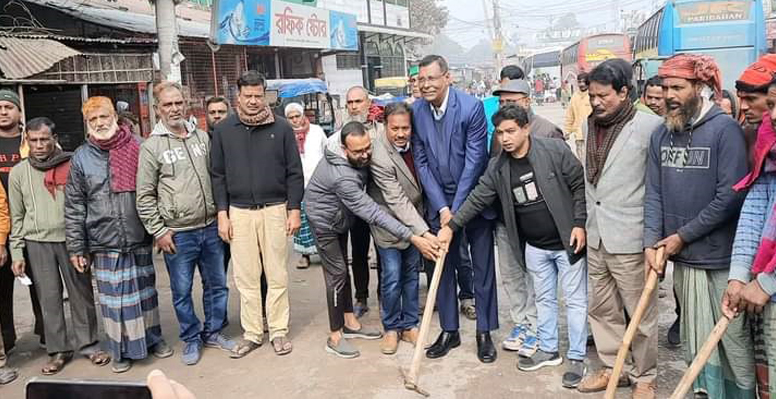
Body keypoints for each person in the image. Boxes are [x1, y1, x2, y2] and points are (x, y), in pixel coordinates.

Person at [438, 104, 588, 387]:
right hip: (534, 247)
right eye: (499, 133)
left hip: (567, 242)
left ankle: (578, 357)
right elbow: (478, 198)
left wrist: (580, 223)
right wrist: (451, 227)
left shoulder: (553, 151)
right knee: (542, 300)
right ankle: (549, 349)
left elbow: (579, 185)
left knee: (575, 301)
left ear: (526, 128)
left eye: (510, 131)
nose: (504, 138)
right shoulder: (498, 166)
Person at [651, 54, 754, 399]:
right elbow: (654, 193)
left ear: (700, 88)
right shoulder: (661, 134)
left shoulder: (725, 130)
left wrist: (682, 236)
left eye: (678, 87)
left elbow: (730, 198)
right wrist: (653, 242)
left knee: (733, 342)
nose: (669, 95)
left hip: (721, 260)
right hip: (684, 260)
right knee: (695, 341)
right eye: (665, 88)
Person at [305, 121, 437, 359]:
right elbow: (374, 212)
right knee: (337, 275)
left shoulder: (359, 150)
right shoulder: (342, 176)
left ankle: (350, 323)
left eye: (367, 148)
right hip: (324, 221)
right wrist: (413, 236)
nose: (366, 155)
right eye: (358, 152)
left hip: (340, 215)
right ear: (344, 150)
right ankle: (335, 336)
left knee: (342, 271)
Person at [65, 96, 173, 373]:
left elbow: (156, 189)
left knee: (145, 295)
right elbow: (75, 205)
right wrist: (77, 247)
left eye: (104, 117)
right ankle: (120, 351)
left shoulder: (138, 146)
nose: (100, 123)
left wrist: (160, 229)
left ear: (115, 116)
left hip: (137, 233)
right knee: (115, 303)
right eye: (94, 119)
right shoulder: (81, 157)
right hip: (103, 239)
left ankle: (153, 340)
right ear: (87, 123)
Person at [576, 59, 662, 399]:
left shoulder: (650, 127)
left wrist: (652, 240)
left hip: (631, 237)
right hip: (596, 233)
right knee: (602, 308)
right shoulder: (588, 124)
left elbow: (657, 188)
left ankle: (646, 377)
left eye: (603, 96)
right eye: (592, 96)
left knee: (641, 313)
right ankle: (614, 367)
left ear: (624, 92)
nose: (596, 102)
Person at [136, 82, 236, 366]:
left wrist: (221, 214)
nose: (174, 109)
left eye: (178, 102)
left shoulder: (202, 138)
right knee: (181, 291)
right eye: (167, 104)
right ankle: (191, 338)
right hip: (177, 234)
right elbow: (144, 195)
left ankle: (213, 331)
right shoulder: (151, 146)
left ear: (186, 104)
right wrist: (159, 230)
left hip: (210, 228)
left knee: (217, 285)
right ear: (158, 109)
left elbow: (217, 179)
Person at [412, 55, 498, 363]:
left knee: (483, 267)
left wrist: (456, 212)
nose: (426, 85)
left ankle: (484, 332)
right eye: (421, 79)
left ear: (448, 78)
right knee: (441, 266)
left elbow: (475, 162)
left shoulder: (471, 108)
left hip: (473, 199)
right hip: (440, 203)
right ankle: (450, 330)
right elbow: (421, 162)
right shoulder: (417, 111)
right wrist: (443, 208)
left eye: (431, 78)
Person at [210, 70, 303, 358]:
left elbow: (294, 173)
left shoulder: (282, 127)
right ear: (238, 96)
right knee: (246, 278)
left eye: (258, 96)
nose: (253, 101)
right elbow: (217, 175)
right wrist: (222, 214)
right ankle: (252, 333)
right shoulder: (224, 129)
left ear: (265, 96)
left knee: (276, 274)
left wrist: (294, 209)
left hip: (275, 210)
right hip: (238, 213)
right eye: (247, 96)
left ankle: (277, 331)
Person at [8, 117, 109, 375]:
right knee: (49, 298)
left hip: (72, 240)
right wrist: (17, 252)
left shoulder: (72, 163)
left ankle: (89, 344)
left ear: (55, 139)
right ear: (26, 141)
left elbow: (86, 204)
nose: (39, 145)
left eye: (44, 139)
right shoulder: (19, 173)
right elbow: (17, 216)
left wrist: (86, 242)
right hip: (37, 243)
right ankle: (58, 350)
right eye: (34, 140)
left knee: (81, 294)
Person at [366, 102, 439, 354]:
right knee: (392, 278)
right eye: (394, 128)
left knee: (410, 276)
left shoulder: (418, 143)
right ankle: (390, 328)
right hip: (389, 225)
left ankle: (409, 325)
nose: (400, 133)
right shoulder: (378, 153)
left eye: (405, 128)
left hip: (416, 219)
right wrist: (425, 233)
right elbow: (395, 199)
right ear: (385, 126)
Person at [724, 78, 776, 399]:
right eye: (771, 105)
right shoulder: (769, 149)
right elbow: (756, 209)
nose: (774, 115)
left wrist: (768, 281)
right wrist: (739, 275)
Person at [326, 86, 384, 317]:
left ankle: (384, 296)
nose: (354, 106)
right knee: (359, 252)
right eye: (350, 102)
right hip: (354, 204)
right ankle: (361, 297)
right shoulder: (341, 135)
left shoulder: (381, 131)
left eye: (358, 101)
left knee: (383, 252)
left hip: (379, 202)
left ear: (368, 102)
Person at [0, 90, 45, 354]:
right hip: (2, 229)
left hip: (32, 225)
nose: (3, 111)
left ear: (19, 112)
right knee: (2, 290)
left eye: (8, 106)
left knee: (41, 284)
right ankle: (7, 339)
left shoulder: (33, 142)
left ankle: (46, 333)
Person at [285, 102, 326, 270]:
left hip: (318, 183)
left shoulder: (317, 131)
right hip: (296, 184)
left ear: (303, 115)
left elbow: (326, 151)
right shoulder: (285, 134)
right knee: (300, 220)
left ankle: (325, 254)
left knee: (321, 219)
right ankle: (305, 255)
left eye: (297, 116)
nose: (295, 120)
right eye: (291, 117)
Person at [564, 73, 593, 161]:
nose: (581, 84)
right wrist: (567, 131)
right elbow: (570, 116)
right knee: (583, 162)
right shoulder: (574, 97)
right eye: (579, 82)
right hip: (579, 137)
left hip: (592, 136)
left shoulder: (593, 95)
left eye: (584, 82)